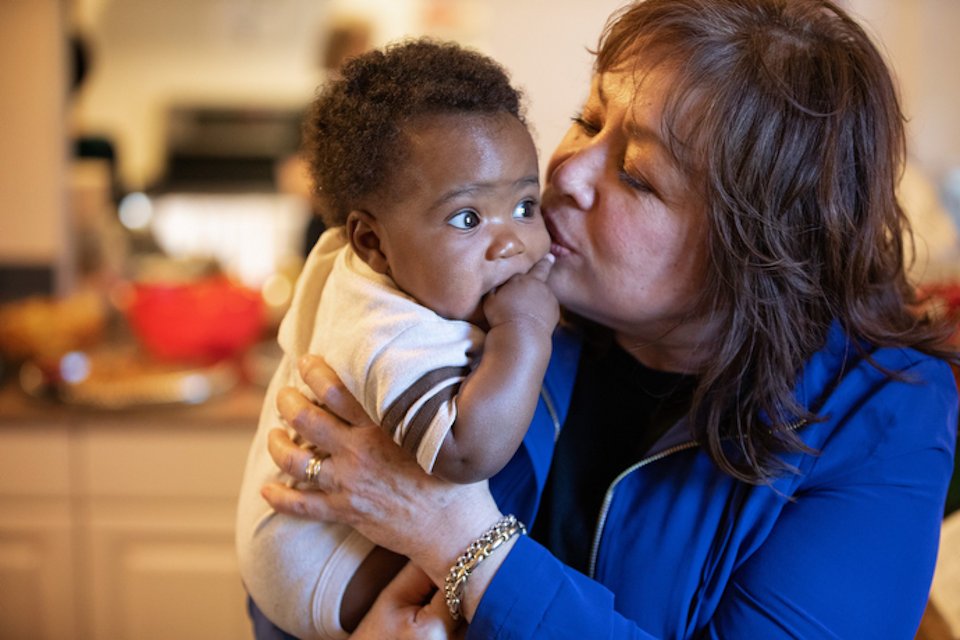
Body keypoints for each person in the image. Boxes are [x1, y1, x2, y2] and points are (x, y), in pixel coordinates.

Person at [258, 0, 960, 638]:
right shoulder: (479, 296)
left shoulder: (884, 410)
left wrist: (463, 541)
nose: (565, 174)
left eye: (636, 174)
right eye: (588, 120)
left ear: (757, 246)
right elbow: (282, 566)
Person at [236, 40, 557, 640]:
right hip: (318, 572)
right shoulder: (387, 330)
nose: (511, 242)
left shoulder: (360, 263)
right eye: (467, 218)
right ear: (372, 243)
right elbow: (465, 452)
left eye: (525, 204)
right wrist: (525, 332)